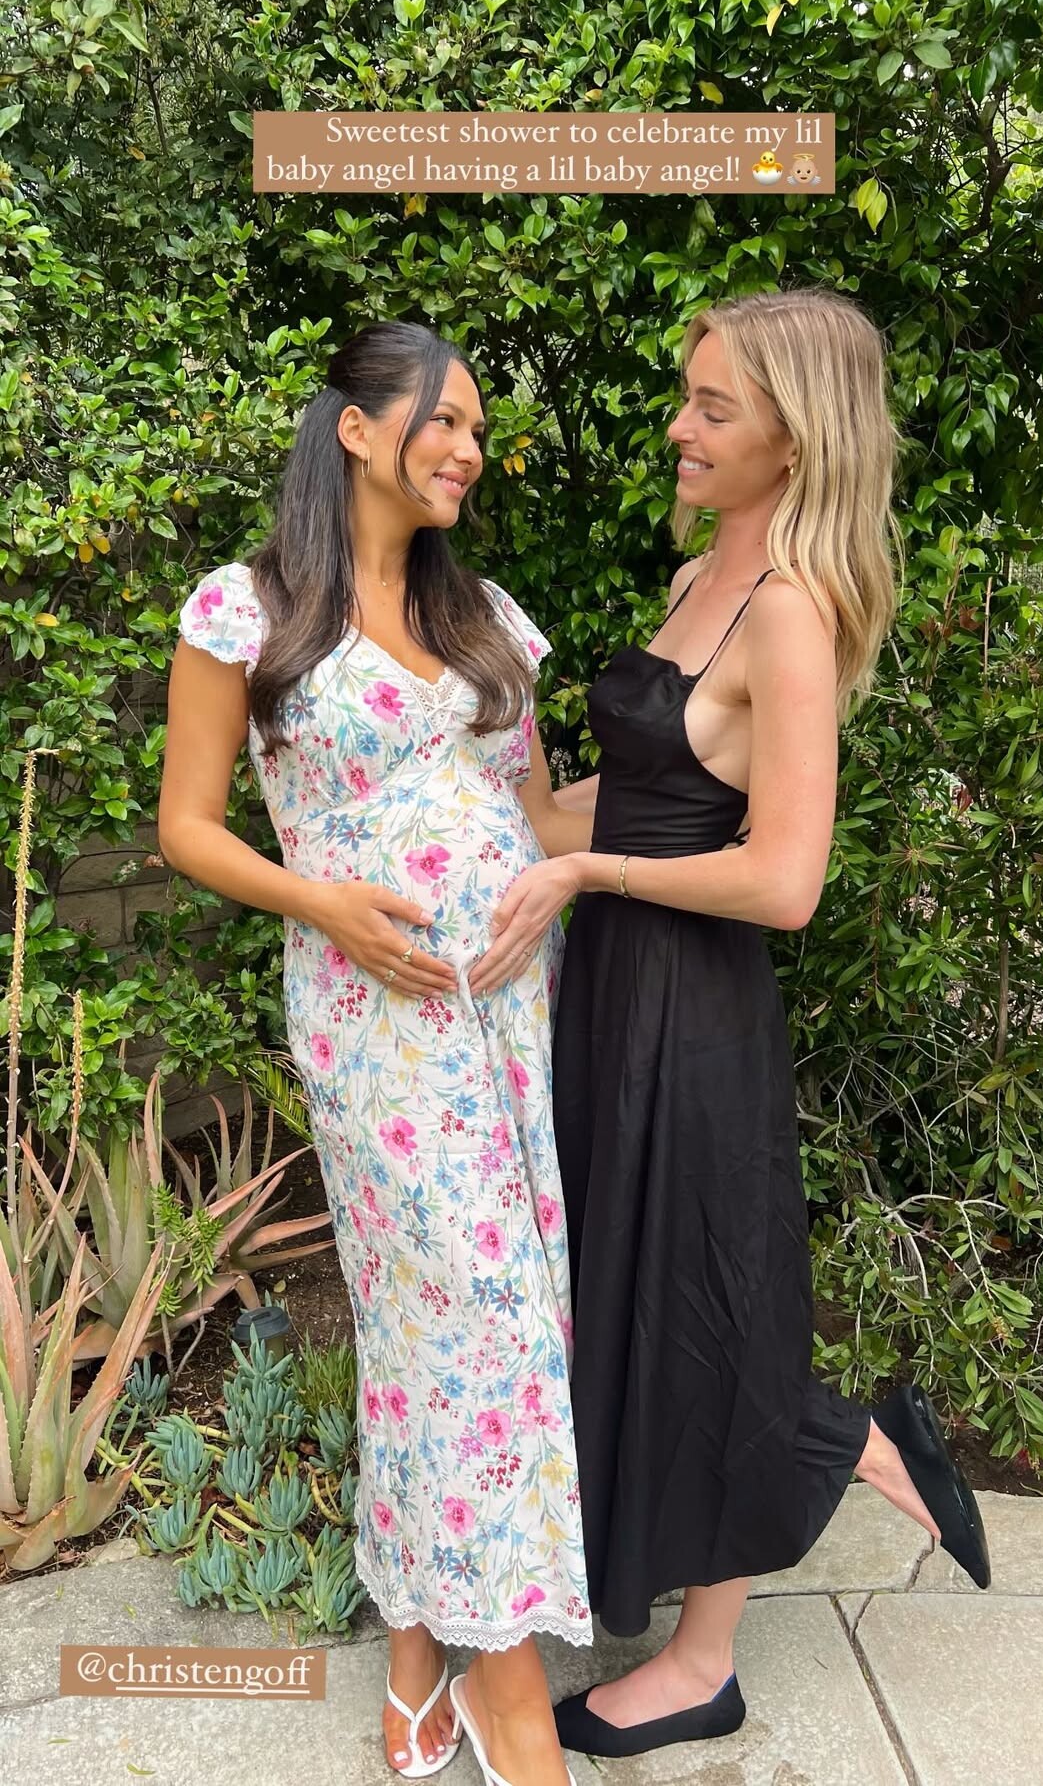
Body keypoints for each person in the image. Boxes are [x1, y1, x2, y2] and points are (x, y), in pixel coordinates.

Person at [465, 287, 992, 1761]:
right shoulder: (704, 573)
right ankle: (852, 1440)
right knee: (630, 1283)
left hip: (694, 1015)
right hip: (614, 995)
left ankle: (706, 1662)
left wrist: (585, 873)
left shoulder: (790, 615)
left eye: (715, 408)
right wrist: (486, 775)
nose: (680, 428)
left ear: (794, 439)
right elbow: (633, 793)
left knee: (703, 1302)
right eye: (687, 397)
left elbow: (785, 878)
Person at [159, 320, 591, 1786]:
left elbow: (540, 819)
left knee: (455, 1334)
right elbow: (187, 826)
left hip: (512, 1013)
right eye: (443, 420)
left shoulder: (487, 621)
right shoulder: (248, 611)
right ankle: (510, 1694)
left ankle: (417, 1661)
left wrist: (708, 776)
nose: (467, 449)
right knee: (474, 1321)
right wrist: (325, 902)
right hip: (377, 1025)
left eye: (477, 429)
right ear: (356, 427)